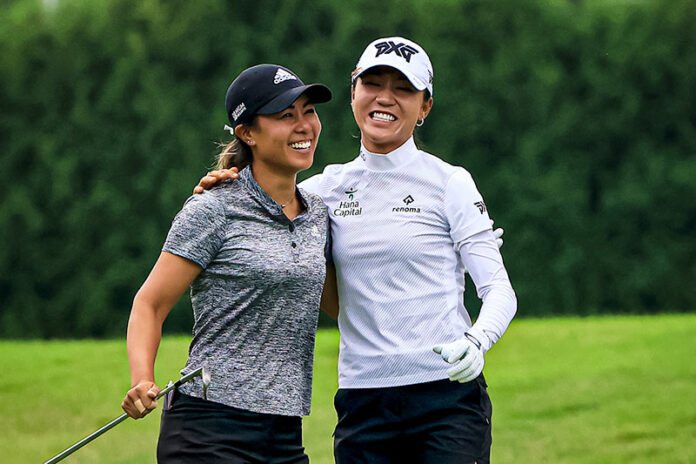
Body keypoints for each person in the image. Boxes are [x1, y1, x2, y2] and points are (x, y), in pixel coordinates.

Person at [196, 37, 517, 464]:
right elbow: (256, 205)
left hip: (447, 400)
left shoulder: (450, 183)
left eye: (403, 88)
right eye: (373, 83)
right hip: (363, 403)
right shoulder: (321, 192)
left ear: (425, 107)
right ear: (353, 92)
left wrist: (477, 341)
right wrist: (220, 188)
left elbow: (499, 290)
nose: (385, 97)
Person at [121, 64, 333, 463]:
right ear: (247, 133)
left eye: (309, 111)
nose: (304, 125)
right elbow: (150, 303)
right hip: (209, 431)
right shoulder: (213, 208)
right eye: (286, 115)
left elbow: (342, 302)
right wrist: (142, 379)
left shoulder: (318, 214)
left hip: (285, 434)